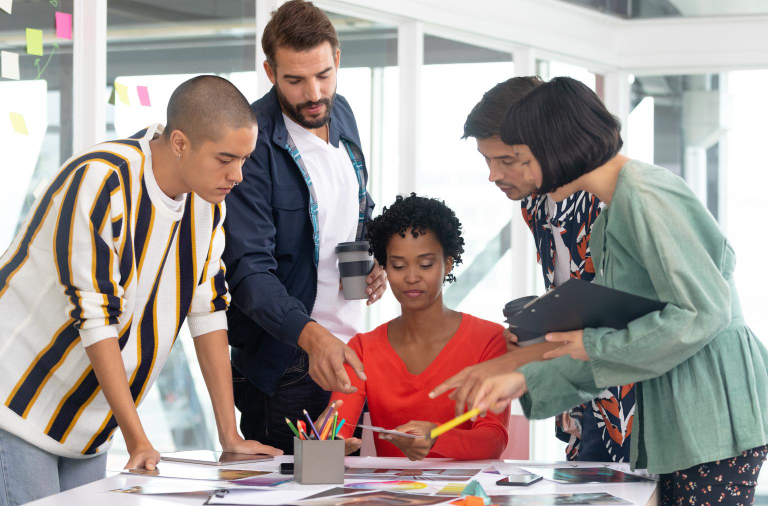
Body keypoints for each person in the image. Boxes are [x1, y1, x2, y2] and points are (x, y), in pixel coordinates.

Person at [452, 77, 768, 506]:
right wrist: (524, 378)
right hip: (677, 413)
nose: (517, 175)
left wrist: (576, 350)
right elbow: (625, 332)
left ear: (557, 147)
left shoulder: (644, 192)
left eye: (520, 160)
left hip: (709, 414)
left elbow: (702, 311)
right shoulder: (615, 207)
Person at [0, 75, 280, 506]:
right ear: (181, 143)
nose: (238, 176)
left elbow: (207, 313)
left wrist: (230, 435)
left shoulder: (208, 205)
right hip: (15, 406)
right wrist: (138, 438)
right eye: (226, 158)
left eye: (244, 159)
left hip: (90, 424)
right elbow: (95, 318)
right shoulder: (101, 180)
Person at [223, 0, 386, 454]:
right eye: (295, 80)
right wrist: (315, 339)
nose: (314, 94)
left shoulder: (344, 113)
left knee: (352, 494)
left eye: (323, 75)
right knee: (292, 500)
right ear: (270, 71)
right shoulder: (251, 141)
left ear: (338, 59)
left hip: (350, 347)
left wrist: (375, 260)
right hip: (288, 361)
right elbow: (250, 273)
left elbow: (357, 206)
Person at [443, 76, 634, 463]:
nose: (494, 175)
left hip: (633, 398)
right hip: (584, 397)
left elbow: (626, 320)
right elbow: (577, 293)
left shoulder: (607, 200)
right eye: (487, 161)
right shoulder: (535, 204)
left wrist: (515, 363)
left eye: (509, 161)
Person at [329, 194, 509, 461]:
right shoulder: (362, 349)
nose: (411, 277)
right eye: (398, 266)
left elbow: (493, 439)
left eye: (425, 264)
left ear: (448, 263)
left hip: (467, 497)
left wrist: (438, 438)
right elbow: (337, 428)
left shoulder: (490, 341)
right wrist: (330, 442)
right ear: (385, 268)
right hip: (391, 498)